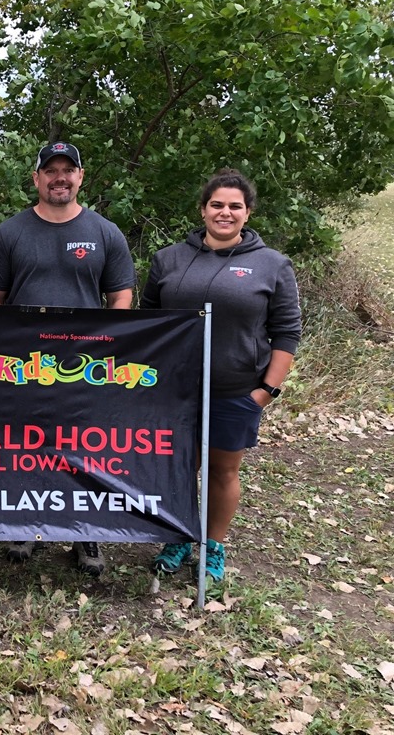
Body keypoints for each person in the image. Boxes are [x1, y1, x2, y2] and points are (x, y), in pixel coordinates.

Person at [0, 141, 136, 576]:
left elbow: (121, 296)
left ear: (80, 177)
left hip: (85, 363)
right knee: (27, 445)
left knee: (86, 447)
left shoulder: (105, 232)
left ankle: (86, 532)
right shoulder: (11, 232)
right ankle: (26, 523)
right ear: (37, 178)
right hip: (24, 364)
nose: (59, 178)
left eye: (68, 170)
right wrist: (4, 344)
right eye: (51, 170)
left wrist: (106, 344)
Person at [141, 169, 300, 581]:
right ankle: (178, 536)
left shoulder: (272, 264)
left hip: (235, 390)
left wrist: (265, 391)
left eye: (234, 206)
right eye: (216, 205)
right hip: (174, 391)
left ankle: (212, 545)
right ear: (202, 210)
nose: (224, 213)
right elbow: (146, 323)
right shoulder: (168, 259)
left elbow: (287, 333)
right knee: (177, 468)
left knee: (223, 471)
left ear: (248, 213)